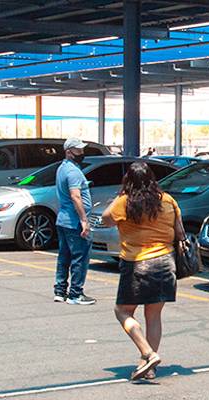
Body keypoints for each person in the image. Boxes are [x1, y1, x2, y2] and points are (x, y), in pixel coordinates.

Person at [99, 162, 184, 381]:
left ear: (128, 180)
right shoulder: (168, 200)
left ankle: (148, 353)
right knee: (153, 315)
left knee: (123, 311)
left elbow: (105, 220)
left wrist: (118, 197)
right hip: (165, 262)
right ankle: (150, 367)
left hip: (137, 264)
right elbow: (180, 232)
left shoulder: (125, 202)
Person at [54, 138, 95, 306]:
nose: (82, 154)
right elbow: (75, 195)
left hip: (63, 219)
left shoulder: (63, 168)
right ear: (69, 152)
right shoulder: (73, 172)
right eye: (78, 151)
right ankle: (75, 294)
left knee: (64, 256)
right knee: (80, 256)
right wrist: (84, 220)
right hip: (73, 221)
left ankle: (60, 291)